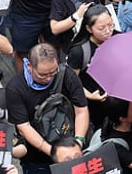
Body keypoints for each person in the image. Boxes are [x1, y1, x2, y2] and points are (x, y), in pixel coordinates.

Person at [5, 42, 89, 174]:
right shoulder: (15, 88)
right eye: (42, 75)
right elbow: (24, 127)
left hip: (70, 143)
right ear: (29, 66)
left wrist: (78, 142)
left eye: (53, 72)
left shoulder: (67, 75)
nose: (49, 78)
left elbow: (81, 110)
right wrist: (54, 152)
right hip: (37, 154)